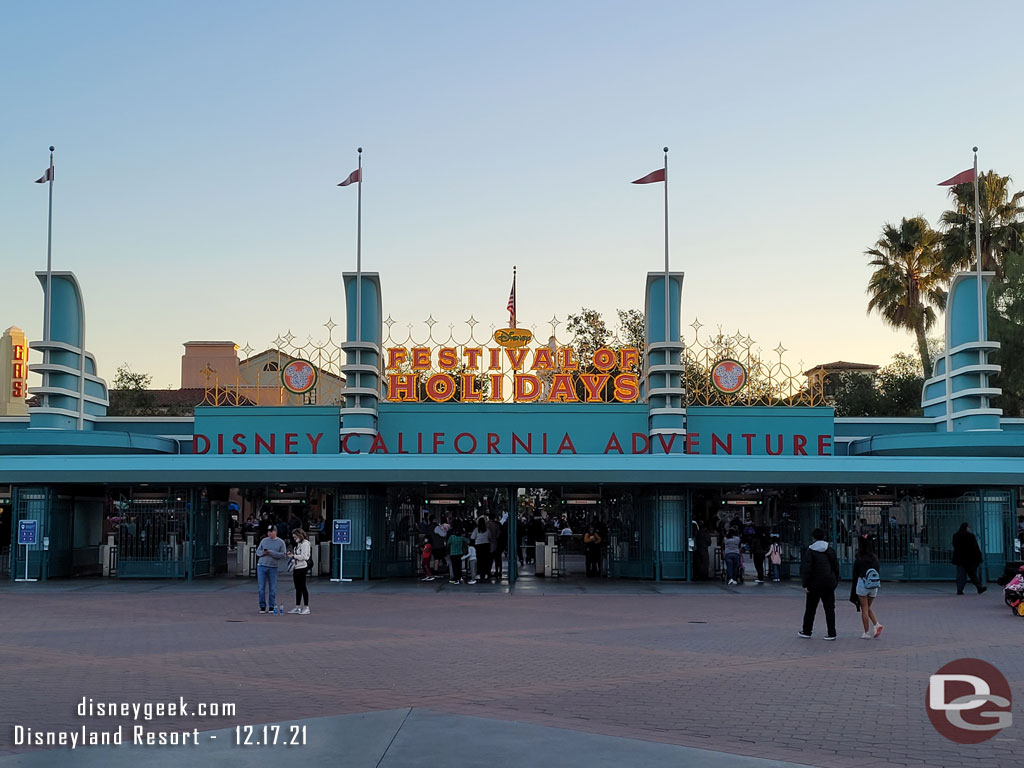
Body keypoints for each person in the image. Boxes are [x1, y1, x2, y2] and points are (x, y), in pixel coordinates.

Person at [799, 528, 840, 640]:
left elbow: (808, 568)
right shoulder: (830, 550)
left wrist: (805, 584)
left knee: (810, 609)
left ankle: (807, 631)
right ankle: (832, 633)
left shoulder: (811, 551)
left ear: (814, 537)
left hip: (814, 584)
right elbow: (836, 566)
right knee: (829, 609)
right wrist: (835, 580)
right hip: (828, 583)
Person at [849, 535, 882, 638]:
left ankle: (866, 632)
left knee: (864, 608)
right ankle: (876, 624)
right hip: (874, 585)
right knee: (867, 607)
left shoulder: (859, 558)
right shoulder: (874, 558)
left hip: (862, 584)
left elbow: (855, 574)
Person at [255, 526, 287, 614]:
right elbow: (258, 552)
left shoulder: (280, 542)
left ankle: (271, 606)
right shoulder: (264, 541)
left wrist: (271, 553)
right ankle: (262, 606)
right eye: (268, 532)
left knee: (272, 588)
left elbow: (283, 555)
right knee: (261, 588)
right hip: (261, 565)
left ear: (275, 532)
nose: (269, 533)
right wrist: (263, 553)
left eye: (271, 531)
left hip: (273, 567)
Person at [951, 522, 987, 595]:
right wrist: (979, 558)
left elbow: (954, 545)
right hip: (971, 559)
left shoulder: (956, 536)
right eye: (968, 527)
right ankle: (979, 587)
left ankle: (959, 590)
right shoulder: (971, 536)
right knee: (973, 575)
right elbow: (975, 548)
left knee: (961, 575)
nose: (969, 529)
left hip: (960, 559)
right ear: (966, 528)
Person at [287, 528, 312, 614]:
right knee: (297, 588)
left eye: (295, 537)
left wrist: (294, 556)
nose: (294, 539)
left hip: (302, 567)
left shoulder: (305, 544)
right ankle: (297, 606)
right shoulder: (298, 544)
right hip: (296, 567)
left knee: (303, 587)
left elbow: (305, 556)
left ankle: (306, 607)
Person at [472, 517, 491, 581]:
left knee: (479, 560)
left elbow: (472, 538)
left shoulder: (476, 530)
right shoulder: (487, 530)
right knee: (486, 560)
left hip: (478, 546)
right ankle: (486, 572)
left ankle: (479, 573)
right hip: (486, 545)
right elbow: (490, 537)